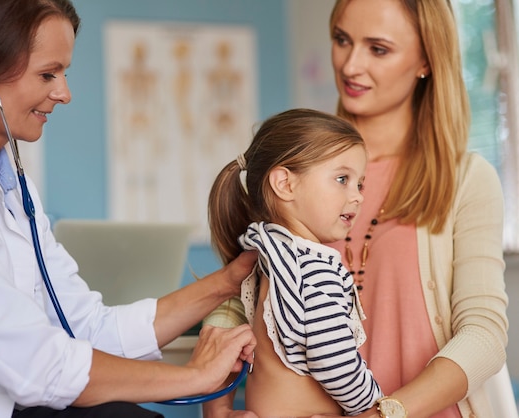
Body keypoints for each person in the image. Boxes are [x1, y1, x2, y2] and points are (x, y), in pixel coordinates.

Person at [0, 1, 258, 417]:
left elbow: (87, 328)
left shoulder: (13, 188)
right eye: (48, 74)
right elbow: (36, 361)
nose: (64, 93)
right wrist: (196, 377)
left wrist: (229, 280)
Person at [203, 0, 510, 417]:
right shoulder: (299, 166)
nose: (350, 65)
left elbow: (484, 334)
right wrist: (215, 405)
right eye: (342, 40)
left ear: (426, 60)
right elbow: (239, 287)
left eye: (378, 49)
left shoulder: (467, 180)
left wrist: (384, 413)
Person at [206, 107, 384, 417]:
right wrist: (375, 405)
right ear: (285, 184)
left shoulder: (271, 256)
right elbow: (334, 360)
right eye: (342, 179)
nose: (357, 196)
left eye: (360, 184)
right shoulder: (315, 267)